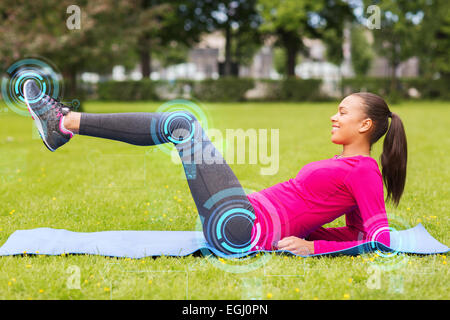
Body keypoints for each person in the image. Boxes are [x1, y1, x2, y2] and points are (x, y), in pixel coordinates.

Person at [23, 80, 407, 256]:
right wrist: (310, 230)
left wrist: (312, 246)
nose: (332, 117)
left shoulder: (363, 171)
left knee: (182, 125)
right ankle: (64, 124)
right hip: (243, 217)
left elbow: (380, 241)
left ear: (365, 125)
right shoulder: (350, 166)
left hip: (242, 230)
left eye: (342, 112)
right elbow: (355, 232)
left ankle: (65, 123)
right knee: (180, 125)